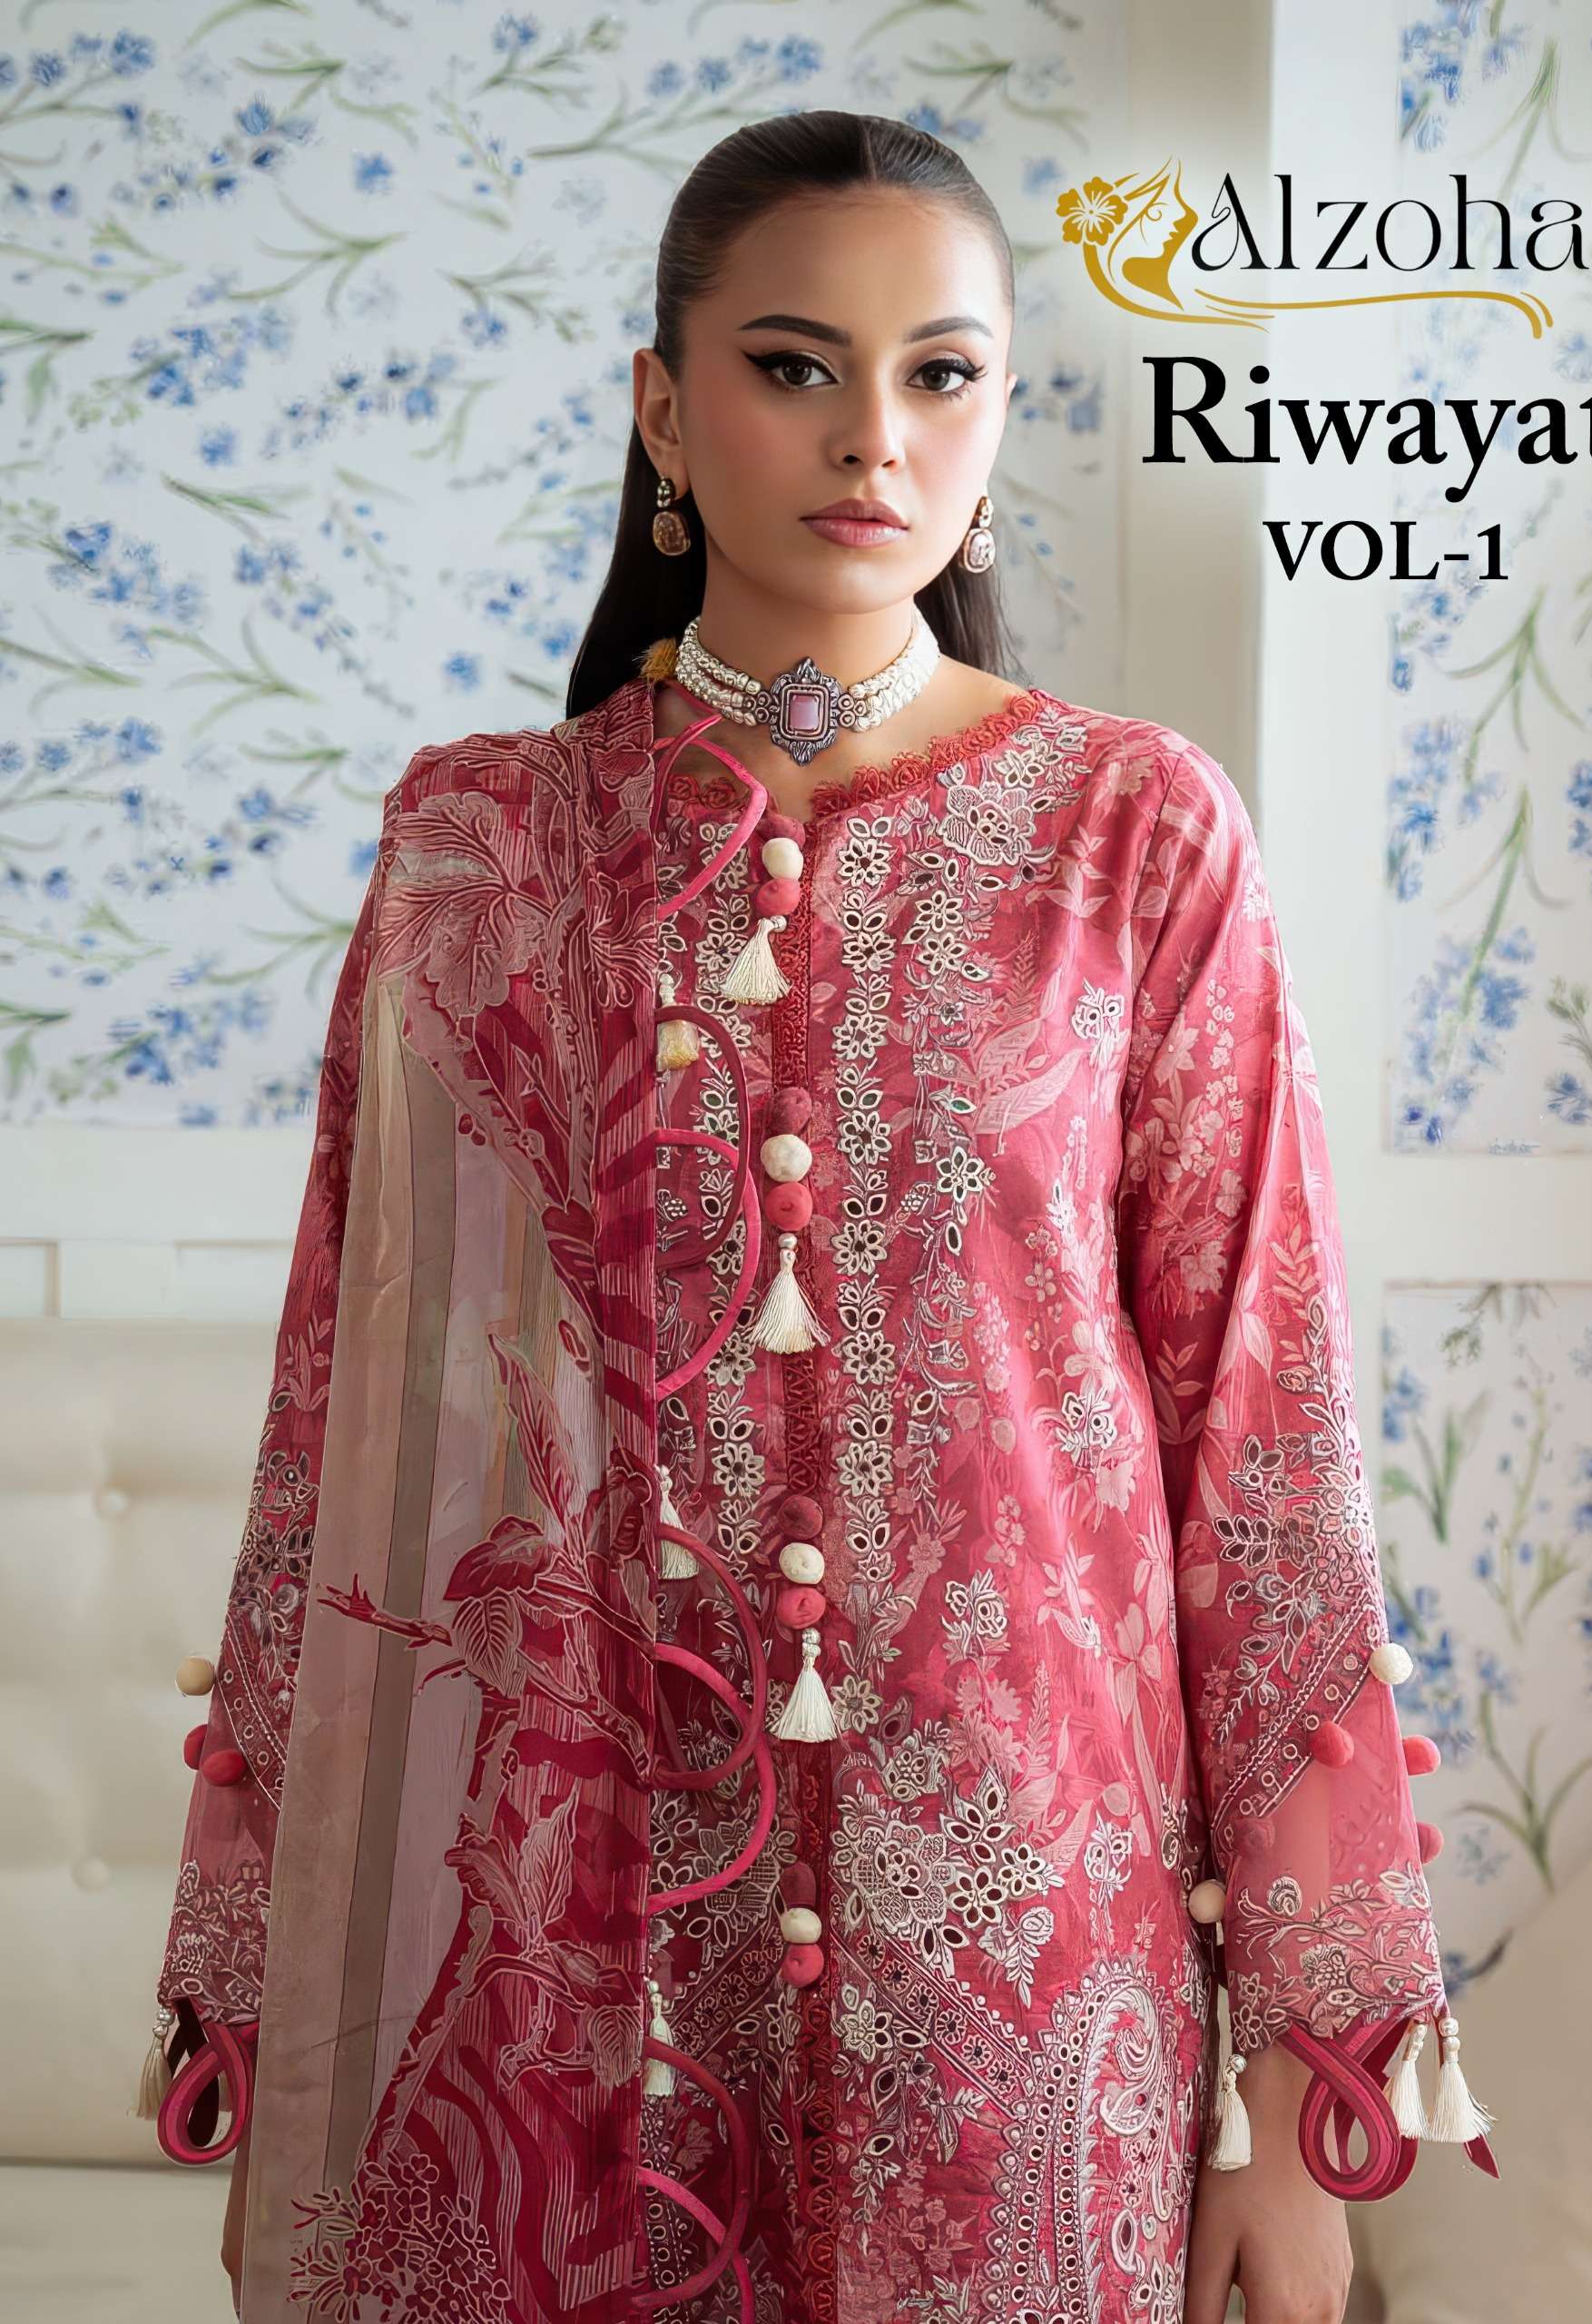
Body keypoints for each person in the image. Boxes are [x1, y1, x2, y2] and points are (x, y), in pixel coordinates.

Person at [143, 110, 1489, 2324]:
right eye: (794, 365)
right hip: (552, 1968)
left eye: (942, 374)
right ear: (665, 408)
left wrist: (1293, 2076)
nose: (878, 435)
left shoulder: (1134, 836)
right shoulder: (479, 850)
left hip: (1020, 1954)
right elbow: (342, 1441)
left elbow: (1269, 1463)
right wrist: (296, 2025)